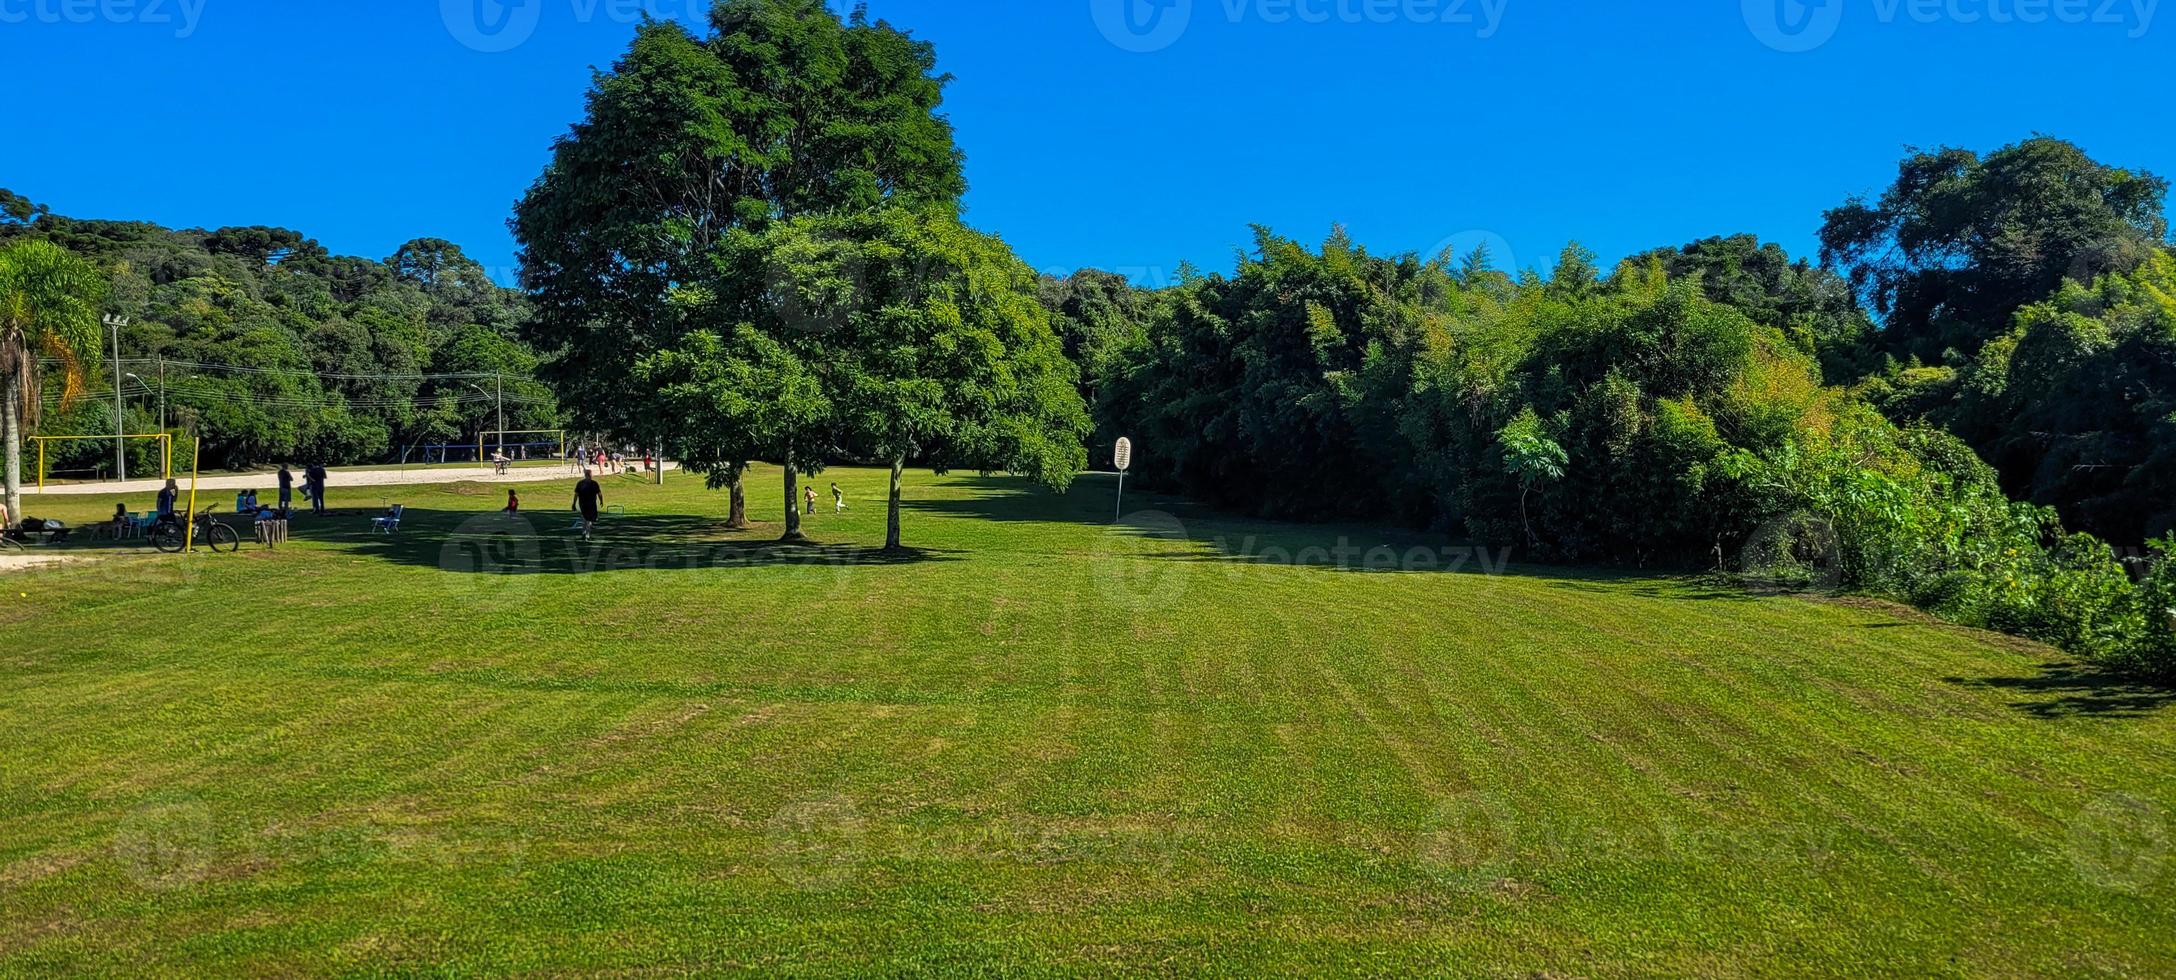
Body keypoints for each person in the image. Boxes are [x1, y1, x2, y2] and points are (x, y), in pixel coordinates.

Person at [573, 470, 603, 541]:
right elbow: (599, 493)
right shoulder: (594, 483)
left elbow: (576, 495)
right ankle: (587, 534)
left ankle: (584, 532)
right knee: (589, 519)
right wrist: (601, 500)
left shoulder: (580, 483)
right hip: (591, 503)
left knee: (584, 518)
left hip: (582, 503)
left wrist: (574, 503)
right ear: (590, 475)